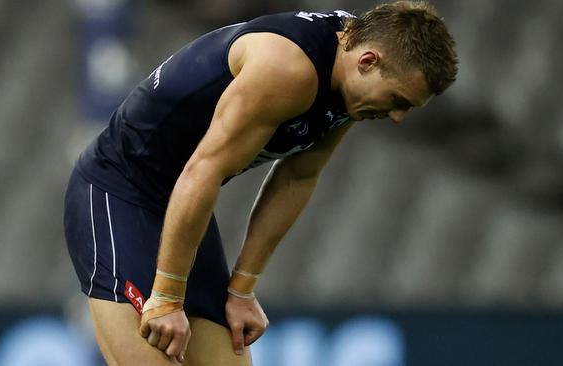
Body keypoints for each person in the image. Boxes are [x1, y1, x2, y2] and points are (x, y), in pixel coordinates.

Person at [63, 1, 458, 364]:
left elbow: (298, 176)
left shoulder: (353, 70)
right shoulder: (288, 69)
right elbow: (203, 171)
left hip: (180, 202)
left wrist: (241, 290)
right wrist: (166, 297)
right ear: (369, 61)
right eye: (398, 100)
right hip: (117, 191)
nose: (397, 117)